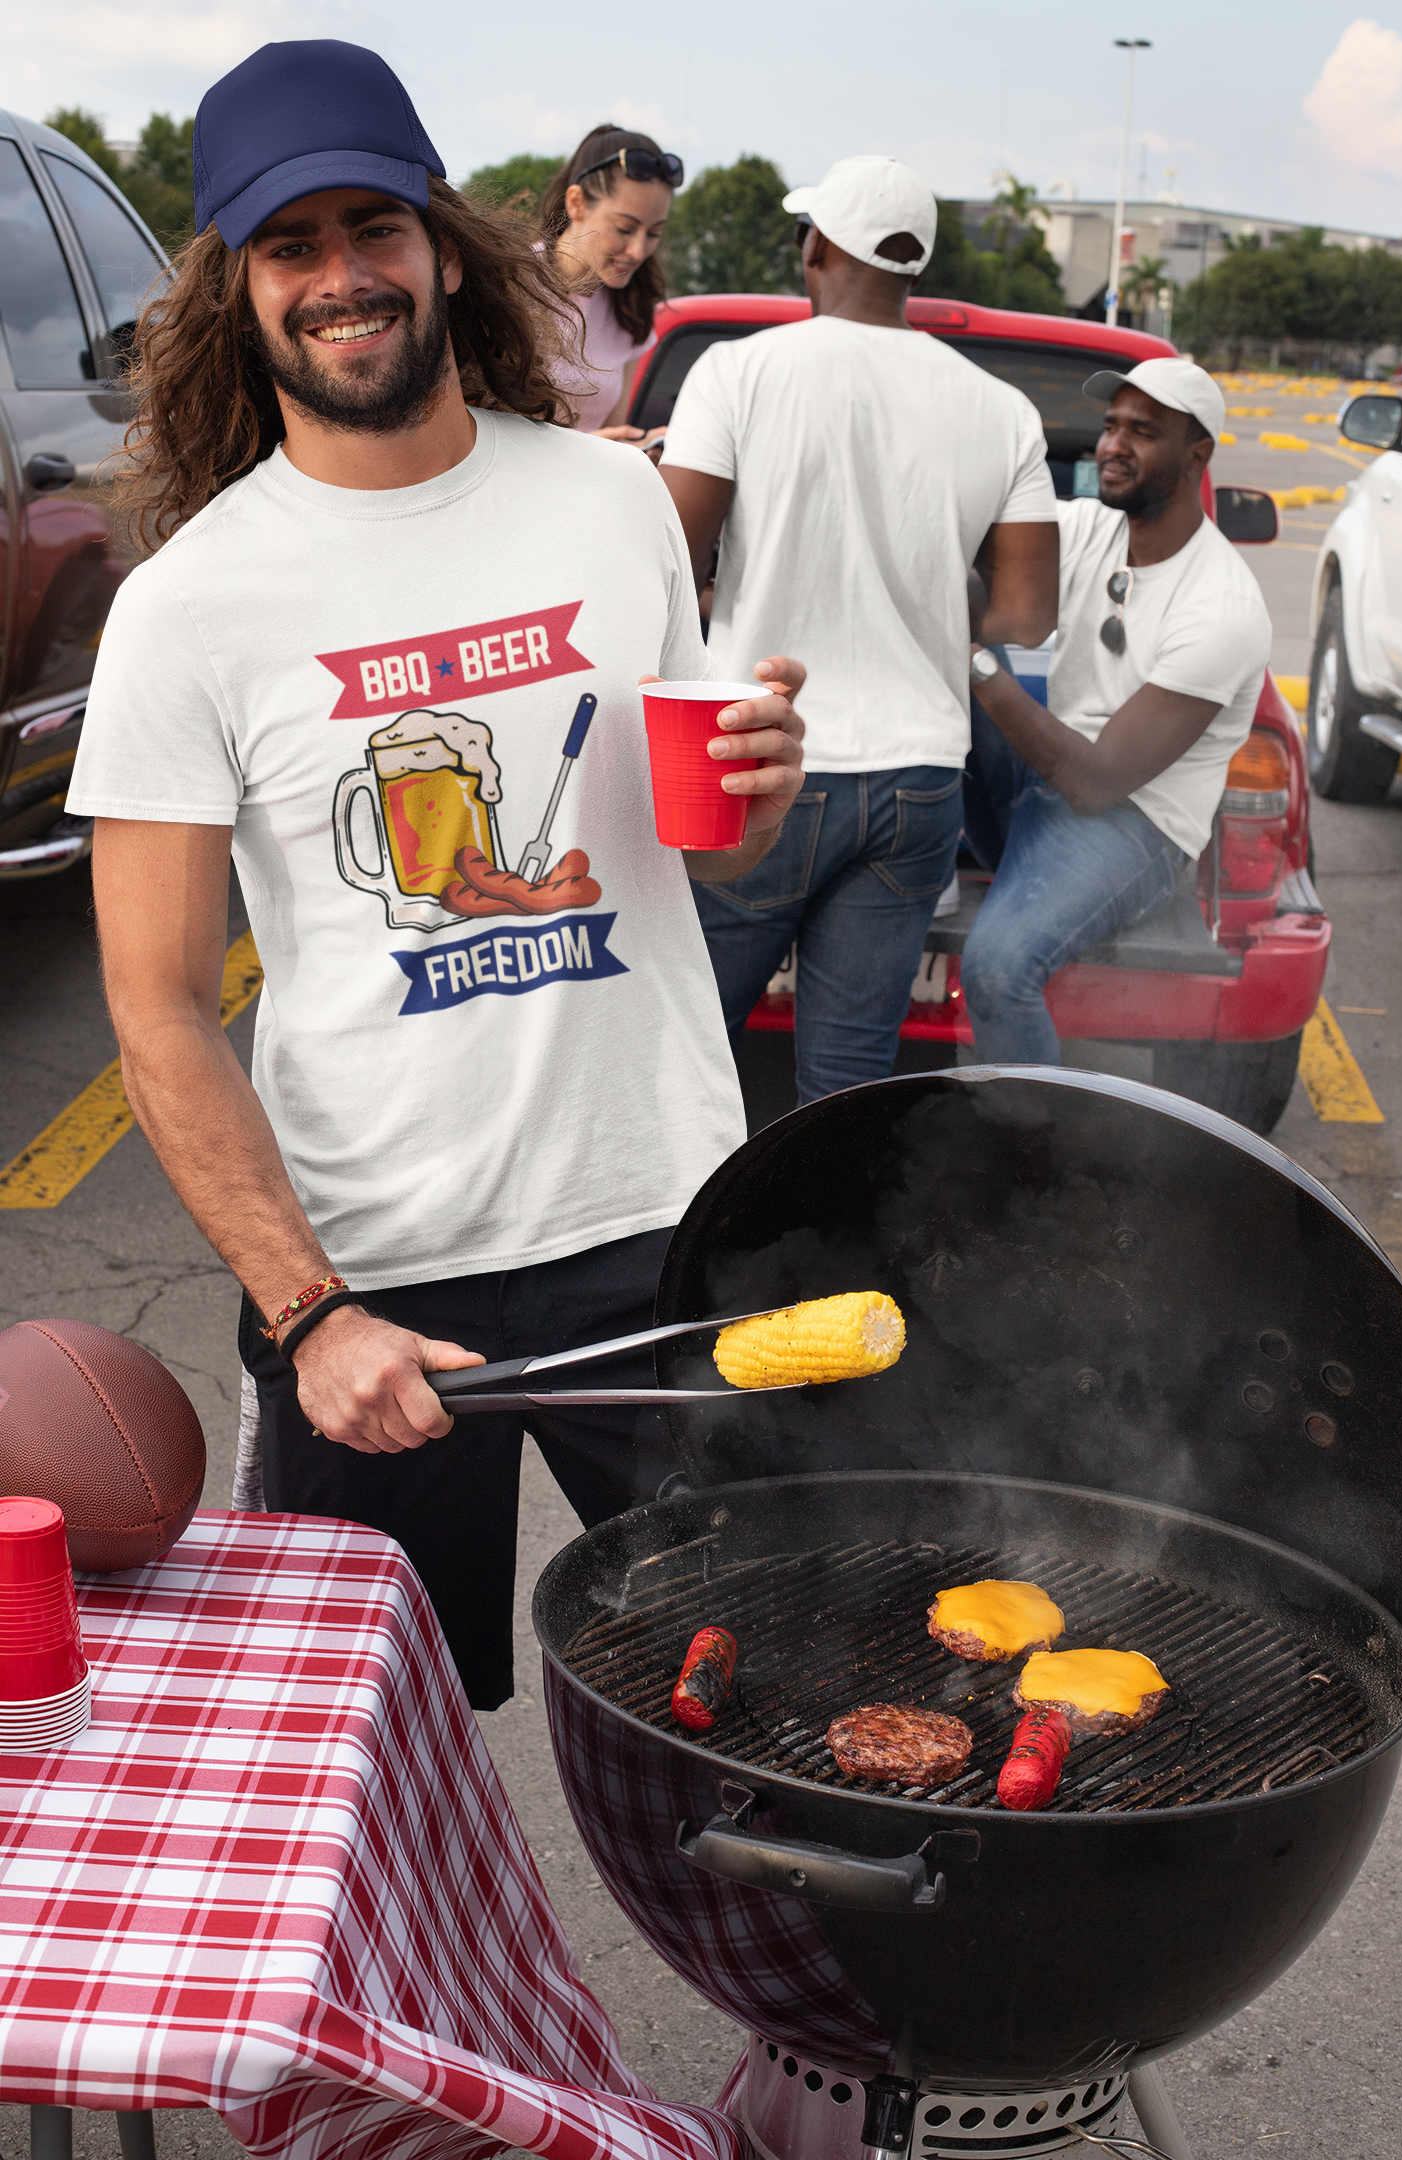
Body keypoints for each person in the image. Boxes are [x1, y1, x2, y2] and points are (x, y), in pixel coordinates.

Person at [66, 38, 805, 1712]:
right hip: (376, 1270)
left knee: (751, 1693)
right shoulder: (193, 606)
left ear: (441, 244)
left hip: (661, 1219)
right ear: (239, 290)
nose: (341, 277)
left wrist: (758, 796)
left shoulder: (615, 513)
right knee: (367, 1744)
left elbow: (701, 843)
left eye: (370, 227)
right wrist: (307, 1307)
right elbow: (159, 1013)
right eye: (290, 246)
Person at [659, 156, 1058, 1104]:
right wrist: (917, 593)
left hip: (769, 768)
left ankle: (672, 1246)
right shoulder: (1001, 411)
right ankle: (823, 1250)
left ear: (820, 249)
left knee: (684, 1050)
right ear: (911, 267)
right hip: (922, 779)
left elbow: (666, 558)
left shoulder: (740, 372)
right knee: (847, 1082)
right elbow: (1027, 614)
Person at [960, 357, 1272, 1064]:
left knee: (999, 970)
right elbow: (972, 552)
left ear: (1197, 455)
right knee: (939, 607)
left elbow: (1098, 782)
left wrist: (972, 659)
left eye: (1142, 431)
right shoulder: (1087, 529)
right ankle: (894, 859)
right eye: (1109, 427)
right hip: (1040, 789)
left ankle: (1026, 1160)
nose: (1112, 446)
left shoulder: (1221, 608)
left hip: (1132, 824)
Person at [537, 125, 681, 444]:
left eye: (654, 233)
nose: (639, 251)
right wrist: (589, 450)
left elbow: (611, 436)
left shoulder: (630, 310)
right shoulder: (508, 285)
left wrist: (635, 448)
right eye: (625, 228)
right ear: (576, 204)